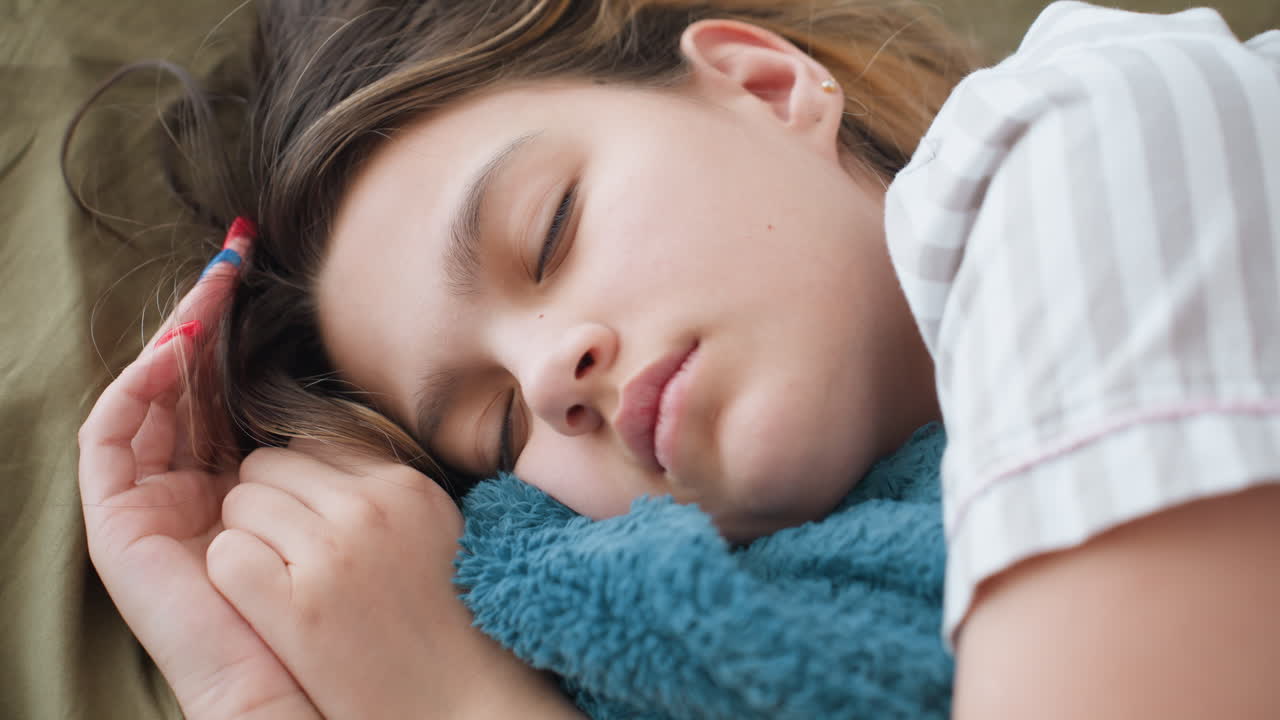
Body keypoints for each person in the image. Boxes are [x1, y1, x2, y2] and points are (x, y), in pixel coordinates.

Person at [75, 0, 1280, 717]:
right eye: (497, 432)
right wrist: (246, 685)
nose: (551, 377)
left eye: (548, 231)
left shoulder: (1092, 141)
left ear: (763, 86)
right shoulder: (826, 573)